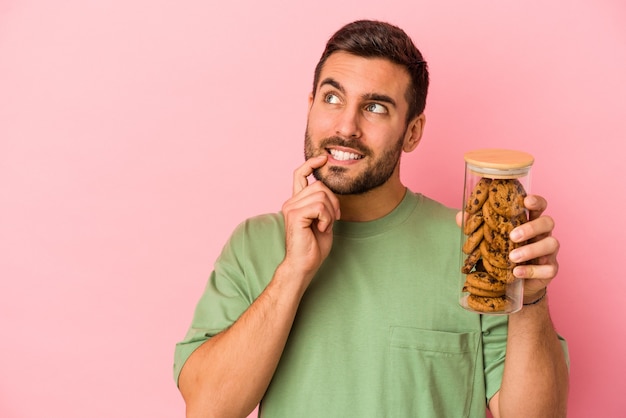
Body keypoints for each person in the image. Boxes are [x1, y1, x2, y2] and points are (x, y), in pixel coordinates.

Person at [173, 20, 569, 417]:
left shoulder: (468, 246)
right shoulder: (253, 243)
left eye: (375, 107)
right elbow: (209, 409)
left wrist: (529, 299)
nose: (346, 127)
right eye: (332, 98)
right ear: (309, 105)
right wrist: (293, 271)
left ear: (412, 132)